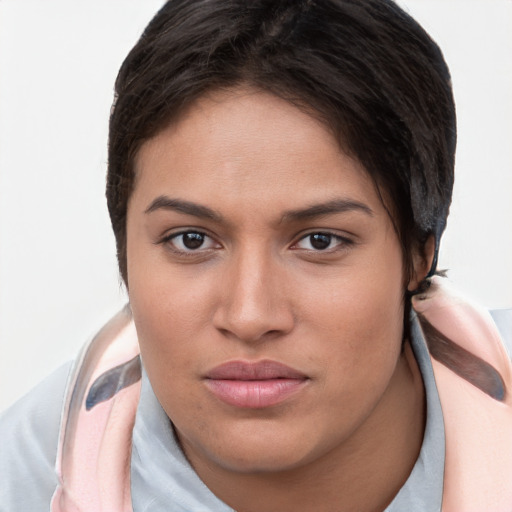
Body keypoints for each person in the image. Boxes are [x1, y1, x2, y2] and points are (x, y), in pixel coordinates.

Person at [1, 1, 511, 511]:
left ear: (419, 252)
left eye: (320, 241)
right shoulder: (24, 476)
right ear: (125, 251)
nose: (250, 317)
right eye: (192, 240)